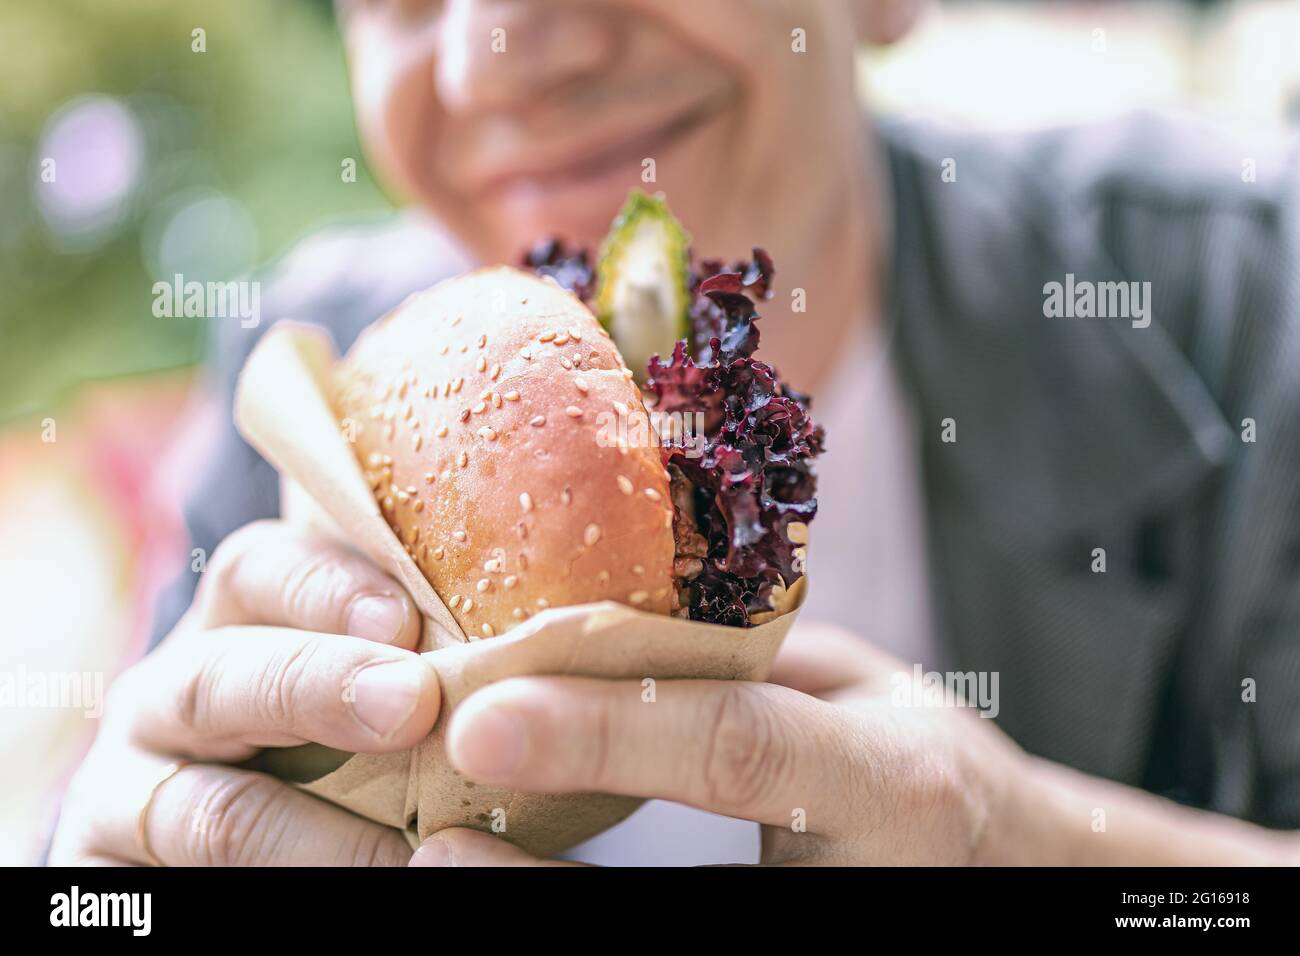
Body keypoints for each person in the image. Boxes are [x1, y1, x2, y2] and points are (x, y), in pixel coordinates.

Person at [49, 0, 1299, 866]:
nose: (489, 59)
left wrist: (1022, 840)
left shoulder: (1244, 299)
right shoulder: (304, 390)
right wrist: (105, 874)